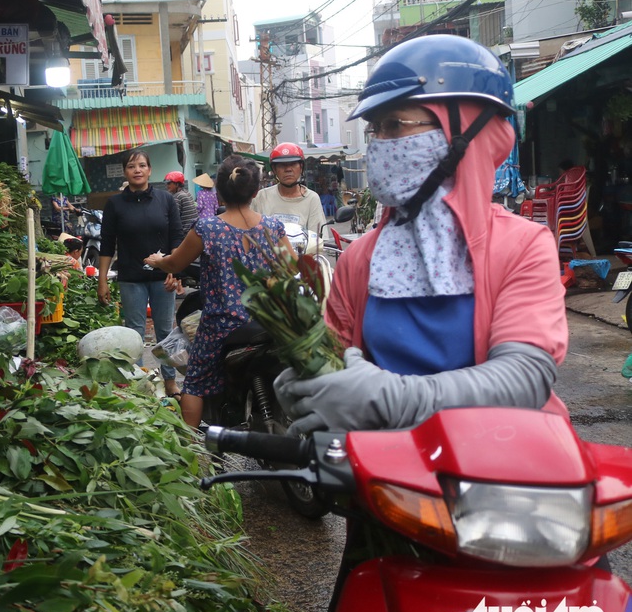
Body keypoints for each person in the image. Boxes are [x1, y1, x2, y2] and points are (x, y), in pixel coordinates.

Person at [274, 35, 567, 435]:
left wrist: (388, 399)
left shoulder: (522, 246)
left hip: (505, 475)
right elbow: (337, 361)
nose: (379, 146)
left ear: (463, 131)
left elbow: (524, 379)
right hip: (388, 481)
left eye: (395, 124)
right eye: (376, 129)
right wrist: (309, 384)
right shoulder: (360, 259)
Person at [144, 156, 293, 428]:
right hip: (269, 322)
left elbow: (176, 263)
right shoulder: (273, 227)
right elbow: (292, 267)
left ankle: (191, 449)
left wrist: (156, 261)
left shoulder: (208, 228)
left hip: (222, 324)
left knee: (195, 382)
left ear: (220, 192)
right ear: (256, 191)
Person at [97, 149, 182, 397]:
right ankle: (138, 384)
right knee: (134, 332)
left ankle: (170, 382)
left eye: (142, 165)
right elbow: (106, 244)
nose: (137, 170)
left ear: (150, 170)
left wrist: (173, 267)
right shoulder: (114, 204)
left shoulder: (166, 200)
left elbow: (177, 236)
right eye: (132, 166)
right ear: (125, 172)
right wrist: (102, 280)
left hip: (162, 278)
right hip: (131, 278)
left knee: (165, 331)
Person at [250, 142, 327, 238]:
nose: (288, 170)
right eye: (282, 165)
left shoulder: (311, 199)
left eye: (293, 164)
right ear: (274, 169)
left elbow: (317, 240)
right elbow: (250, 233)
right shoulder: (261, 197)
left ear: (301, 167)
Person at [164, 171, 199, 238]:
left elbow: (174, 217)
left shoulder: (178, 196)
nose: (167, 186)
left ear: (177, 184)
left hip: (185, 233)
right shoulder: (186, 193)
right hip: (193, 230)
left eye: (169, 183)